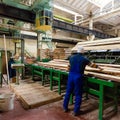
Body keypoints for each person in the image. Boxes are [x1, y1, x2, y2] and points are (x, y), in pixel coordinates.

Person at [63, 46, 102, 116]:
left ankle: (65, 107)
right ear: (83, 52)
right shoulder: (84, 59)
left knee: (68, 92)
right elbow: (92, 65)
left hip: (71, 76)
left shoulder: (71, 57)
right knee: (78, 94)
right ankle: (76, 111)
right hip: (78, 77)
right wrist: (99, 68)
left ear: (77, 51)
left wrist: (69, 70)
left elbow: (68, 66)